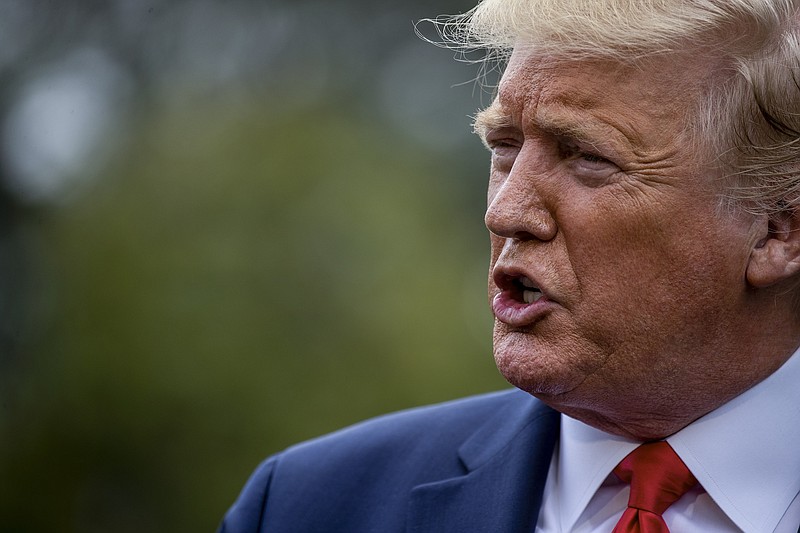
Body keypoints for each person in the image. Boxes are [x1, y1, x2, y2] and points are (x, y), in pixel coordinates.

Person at [218, 1, 800, 531]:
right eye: (505, 147)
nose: (506, 212)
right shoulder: (308, 506)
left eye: (587, 158)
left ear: (780, 230)